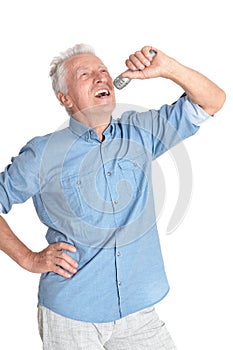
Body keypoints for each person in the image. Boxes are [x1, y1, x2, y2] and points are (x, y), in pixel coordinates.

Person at [0, 43, 225, 349]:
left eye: (103, 70)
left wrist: (167, 68)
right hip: (73, 315)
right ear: (64, 98)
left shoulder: (141, 132)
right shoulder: (42, 153)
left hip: (138, 312)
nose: (100, 77)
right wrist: (28, 258)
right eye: (85, 73)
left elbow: (213, 101)